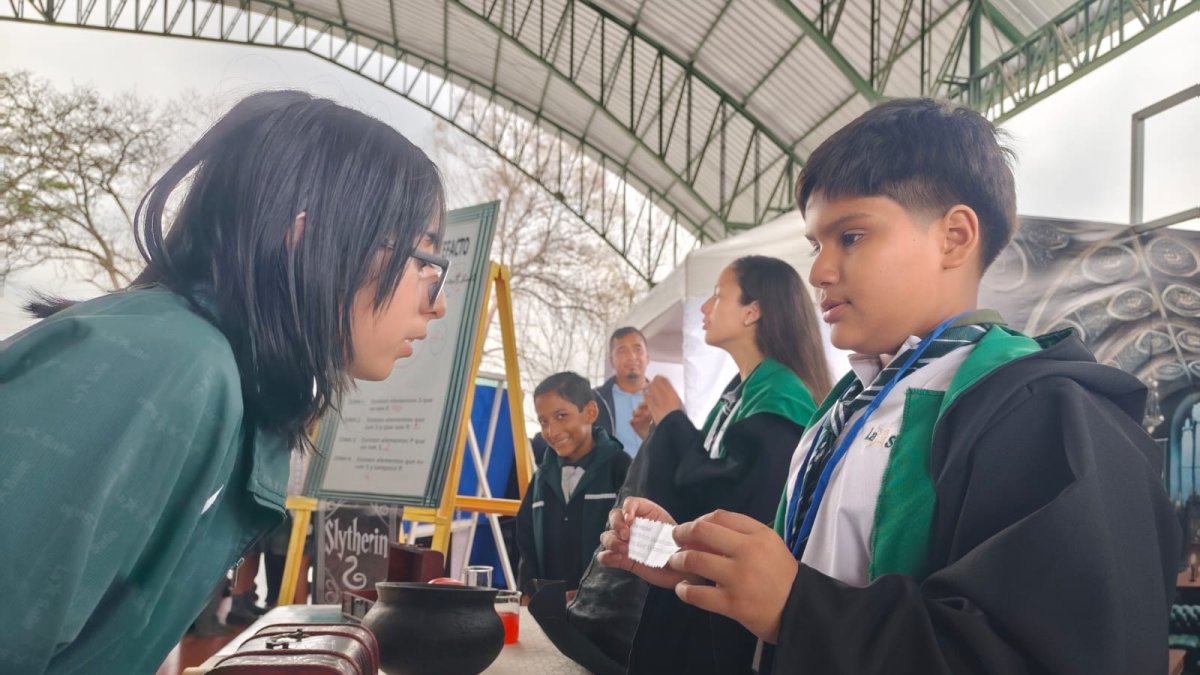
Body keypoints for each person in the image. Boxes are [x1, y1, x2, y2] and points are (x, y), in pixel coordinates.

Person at [600, 98, 1179, 674]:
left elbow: (1049, 655)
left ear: (954, 236)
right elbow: (810, 585)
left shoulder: (1042, 412)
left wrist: (797, 605)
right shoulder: (846, 411)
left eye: (851, 236)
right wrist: (709, 570)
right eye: (815, 245)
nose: (819, 271)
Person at [0, 90, 448, 674]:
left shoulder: (217, 375)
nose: (435, 305)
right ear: (308, 241)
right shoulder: (169, 366)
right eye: (427, 264)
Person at [621, 255, 832, 674]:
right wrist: (662, 433)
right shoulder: (739, 391)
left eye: (718, 296)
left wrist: (674, 422)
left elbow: (738, 501)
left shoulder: (780, 396)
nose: (704, 308)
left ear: (753, 311)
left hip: (729, 614)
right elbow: (706, 472)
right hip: (695, 588)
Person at [516, 372, 632, 596]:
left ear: (590, 412)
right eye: (544, 421)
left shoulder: (621, 469)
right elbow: (526, 546)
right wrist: (529, 593)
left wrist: (595, 594)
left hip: (605, 609)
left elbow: (630, 546)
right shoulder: (541, 478)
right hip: (550, 610)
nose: (552, 431)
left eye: (561, 416)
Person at [595, 326, 653, 457]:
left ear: (648, 357)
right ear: (611, 361)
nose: (632, 357)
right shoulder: (596, 401)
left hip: (658, 476)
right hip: (615, 476)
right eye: (622, 351)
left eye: (638, 350)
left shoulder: (664, 399)